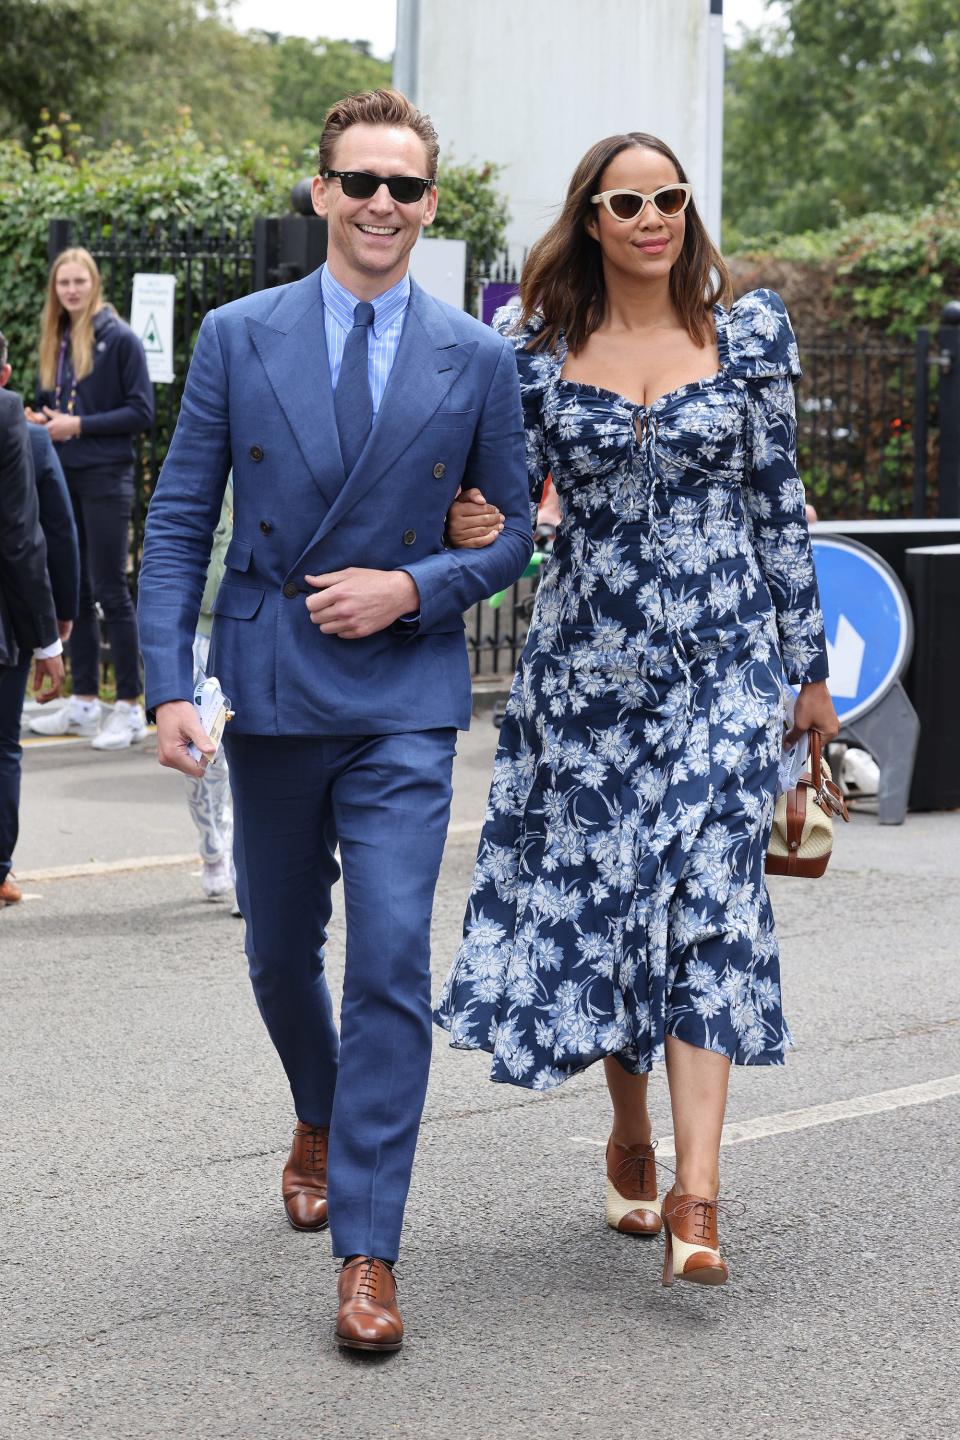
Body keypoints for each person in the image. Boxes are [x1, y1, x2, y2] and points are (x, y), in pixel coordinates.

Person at [136, 88, 532, 1352]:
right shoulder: (237, 336)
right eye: (359, 182)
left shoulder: (475, 357)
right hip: (273, 687)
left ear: (428, 207)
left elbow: (517, 532)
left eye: (405, 188)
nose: (380, 205)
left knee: (392, 963)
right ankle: (321, 1103)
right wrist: (163, 682)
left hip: (407, 699)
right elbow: (180, 517)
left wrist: (414, 584)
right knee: (275, 952)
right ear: (320, 194)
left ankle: (369, 1252)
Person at [436, 131, 839, 1288]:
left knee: (709, 896)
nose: (655, 217)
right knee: (619, 910)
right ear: (594, 220)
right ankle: (631, 1134)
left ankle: (700, 1195)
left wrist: (808, 673)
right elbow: (507, 511)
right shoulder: (538, 356)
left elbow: (780, 508)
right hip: (585, 675)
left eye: (670, 197)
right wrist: (480, 531)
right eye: (630, 202)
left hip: (723, 665)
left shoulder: (748, 335)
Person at [27, 247, 154, 750]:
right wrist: (45, 421)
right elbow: (60, 407)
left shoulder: (119, 338)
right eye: (63, 284)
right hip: (65, 472)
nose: (72, 290)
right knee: (72, 589)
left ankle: (128, 703)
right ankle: (82, 700)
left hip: (105, 476)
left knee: (110, 588)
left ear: (94, 284)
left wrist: (75, 425)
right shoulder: (56, 338)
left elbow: (141, 411)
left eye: (79, 282)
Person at [0, 328, 80, 906]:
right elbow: (39, 536)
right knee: (3, 746)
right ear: (6, 376)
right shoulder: (21, 431)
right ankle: (1, 867)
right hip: (5, 621)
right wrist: (54, 629)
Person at [185, 477, 239, 910]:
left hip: (245, 630)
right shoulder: (207, 470)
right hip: (199, 631)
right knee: (202, 757)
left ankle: (242, 867)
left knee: (244, 757)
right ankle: (211, 845)